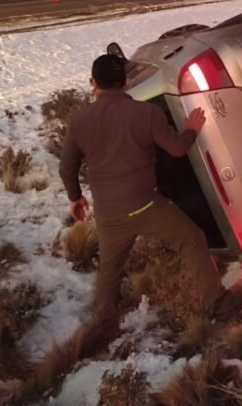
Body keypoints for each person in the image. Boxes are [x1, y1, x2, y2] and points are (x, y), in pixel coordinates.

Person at [59, 53, 227, 319]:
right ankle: (217, 304)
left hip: (109, 214)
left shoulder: (79, 121)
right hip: (146, 206)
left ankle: (103, 318)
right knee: (192, 240)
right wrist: (191, 129)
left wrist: (75, 198)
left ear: (93, 83)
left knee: (109, 270)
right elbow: (177, 148)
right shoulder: (146, 113)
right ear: (125, 82)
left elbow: (66, 167)